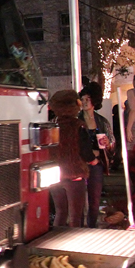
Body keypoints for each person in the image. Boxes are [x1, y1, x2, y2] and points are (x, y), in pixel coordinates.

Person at [49, 90, 97, 227]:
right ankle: (74, 242)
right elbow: (85, 151)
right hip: (74, 174)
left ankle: (57, 239)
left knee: (60, 211)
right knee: (75, 215)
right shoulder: (78, 126)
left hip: (55, 175)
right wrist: (94, 160)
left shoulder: (51, 125)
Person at [79, 82, 115, 228]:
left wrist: (108, 143)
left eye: (88, 99)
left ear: (94, 101)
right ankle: (79, 226)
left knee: (94, 199)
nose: (84, 102)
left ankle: (92, 226)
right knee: (80, 199)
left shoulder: (102, 121)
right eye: (82, 99)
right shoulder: (77, 120)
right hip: (81, 163)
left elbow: (112, 142)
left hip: (97, 164)